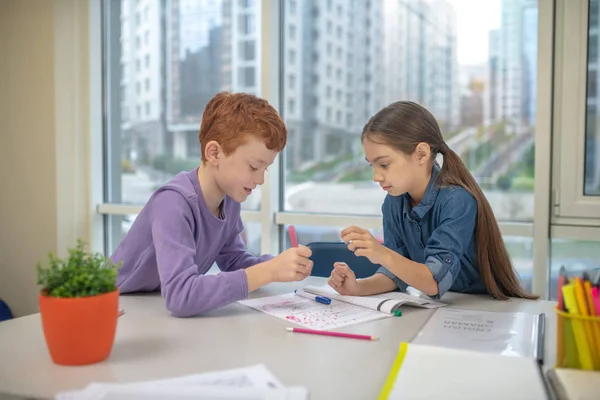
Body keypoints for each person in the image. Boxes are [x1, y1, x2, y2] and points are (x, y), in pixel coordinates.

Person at [111, 92, 313, 317]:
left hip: (151, 307)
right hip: (116, 307)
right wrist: (268, 271)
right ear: (214, 153)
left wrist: (278, 265)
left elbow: (234, 260)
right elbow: (181, 296)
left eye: (265, 169)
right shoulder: (173, 203)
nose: (260, 180)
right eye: (254, 167)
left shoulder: (229, 201)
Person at [328, 101, 538, 301]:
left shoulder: (457, 201)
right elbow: (396, 274)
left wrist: (381, 253)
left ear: (421, 154)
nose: (376, 176)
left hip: (483, 309)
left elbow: (433, 282)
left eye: (383, 164)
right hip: (441, 308)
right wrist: (358, 287)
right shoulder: (393, 203)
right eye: (371, 166)